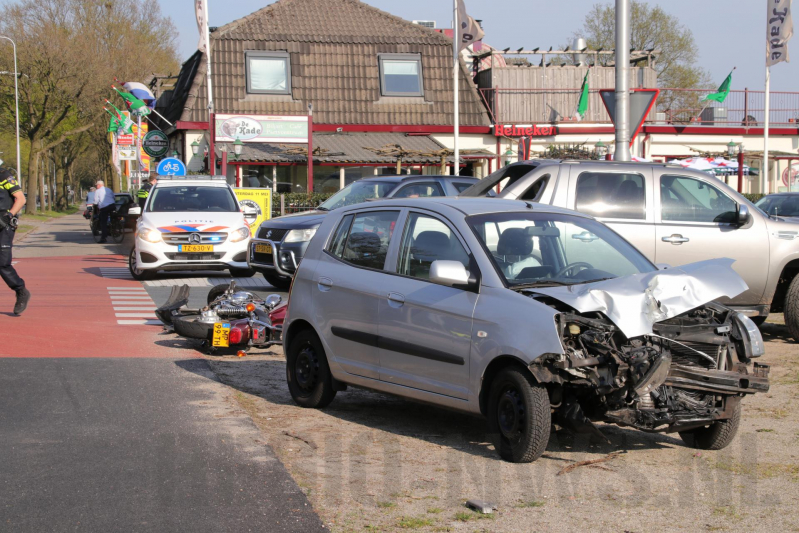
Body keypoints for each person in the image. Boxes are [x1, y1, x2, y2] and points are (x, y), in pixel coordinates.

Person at [0, 168, 30, 315]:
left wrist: (8, 216)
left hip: (3, 225)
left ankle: (21, 290)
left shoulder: (4, 175)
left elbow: (21, 198)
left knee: (2, 263)